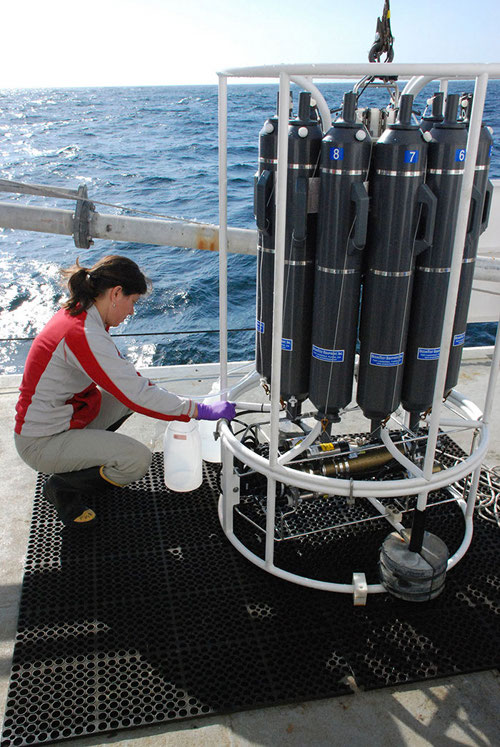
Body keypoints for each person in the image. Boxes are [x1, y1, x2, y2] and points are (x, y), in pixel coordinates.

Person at [14, 255, 236, 529]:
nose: (132, 312)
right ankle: (63, 486)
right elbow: (137, 394)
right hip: (41, 441)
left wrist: (182, 405)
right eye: (133, 302)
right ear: (116, 294)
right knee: (136, 461)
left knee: (123, 399)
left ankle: (80, 459)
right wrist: (198, 410)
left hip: (64, 420)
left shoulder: (82, 316)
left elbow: (130, 384)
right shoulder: (82, 332)